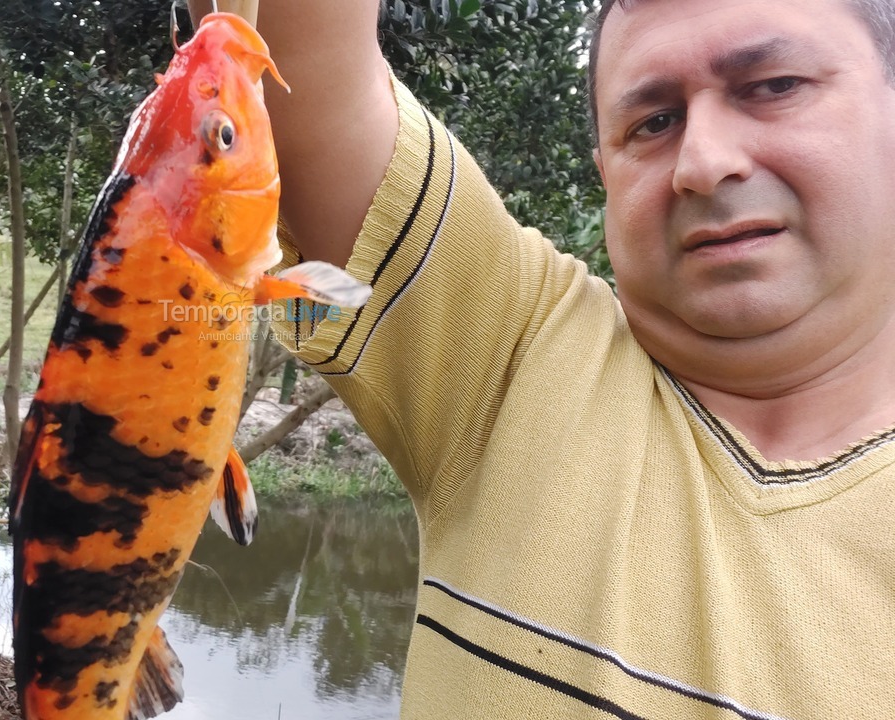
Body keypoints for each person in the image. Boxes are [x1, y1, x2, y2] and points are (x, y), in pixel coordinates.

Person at [192, 0, 895, 717]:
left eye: (774, 86)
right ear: (605, 175)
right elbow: (288, 46)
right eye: (652, 123)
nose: (705, 163)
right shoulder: (513, 354)